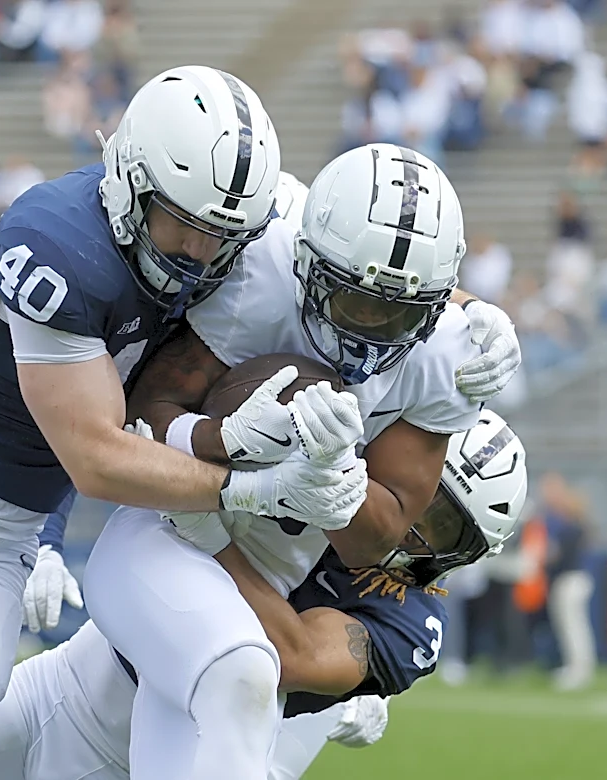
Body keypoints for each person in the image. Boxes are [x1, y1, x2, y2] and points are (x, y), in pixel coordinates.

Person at [0, 65, 371, 780]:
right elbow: (95, 456)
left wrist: (465, 313)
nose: (200, 254)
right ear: (129, 179)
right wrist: (252, 489)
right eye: (183, 224)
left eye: (222, 235)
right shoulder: (59, 243)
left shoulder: (244, 222)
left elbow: (362, 242)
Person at [79, 145, 518, 780]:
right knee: (241, 673)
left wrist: (336, 476)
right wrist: (223, 446)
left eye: (397, 312)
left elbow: (379, 535)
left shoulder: (448, 355)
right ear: (308, 263)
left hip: (215, 589)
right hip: (169, 532)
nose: (369, 330)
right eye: (353, 302)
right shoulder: (262, 266)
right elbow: (142, 417)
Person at [0, 409, 528, 780]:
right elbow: (97, 419)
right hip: (68, 690)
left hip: (177, 757)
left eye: (442, 525)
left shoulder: (412, 620)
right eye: (419, 494)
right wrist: (49, 538)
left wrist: (213, 534)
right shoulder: (316, 453)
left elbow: (294, 656)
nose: (408, 527)